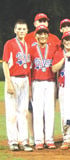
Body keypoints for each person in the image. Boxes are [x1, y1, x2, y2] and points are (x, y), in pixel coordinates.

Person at [25, 12, 59, 146]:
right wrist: (29, 88)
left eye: (45, 33)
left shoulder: (53, 46)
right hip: (36, 82)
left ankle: (49, 139)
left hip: (50, 82)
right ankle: (39, 140)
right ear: (36, 35)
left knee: (50, 111)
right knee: (37, 111)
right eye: (40, 33)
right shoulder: (31, 49)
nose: (43, 35)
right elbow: (28, 69)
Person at [2, 19, 33, 152]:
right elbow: (5, 63)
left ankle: (24, 141)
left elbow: (29, 66)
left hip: (25, 79)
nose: (21, 31)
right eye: (19, 29)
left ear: (27, 31)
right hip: (13, 79)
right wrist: (8, 82)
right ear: (15, 30)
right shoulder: (10, 43)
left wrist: (29, 84)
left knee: (23, 112)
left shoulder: (28, 45)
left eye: (23, 29)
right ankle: (13, 141)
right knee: (12, 112)